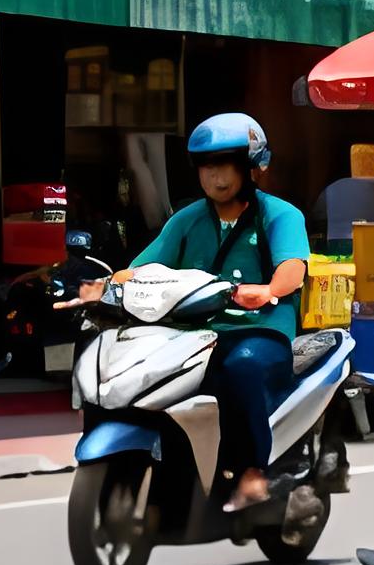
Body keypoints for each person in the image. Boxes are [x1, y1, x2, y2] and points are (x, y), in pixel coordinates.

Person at [90, 114, 309, 515]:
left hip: (258, 331)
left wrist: (269, 290)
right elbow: (141, 267)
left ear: (251, 167)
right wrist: (102, 288)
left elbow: (292, 268)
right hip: (193, 334)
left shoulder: (280, 215)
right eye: (207, 166)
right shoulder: (187, 219)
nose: (217, 176)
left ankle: (252, 472)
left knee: (240, 369)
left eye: (226, 164)